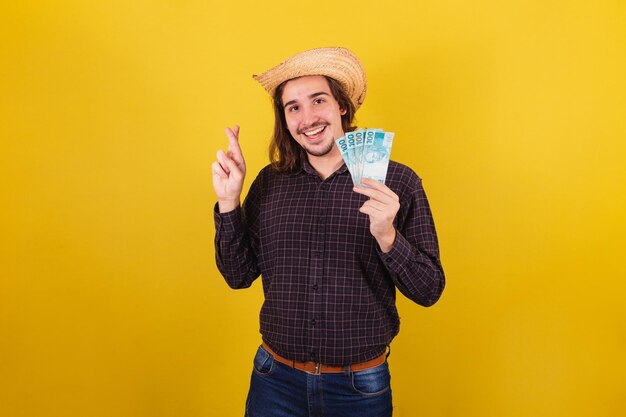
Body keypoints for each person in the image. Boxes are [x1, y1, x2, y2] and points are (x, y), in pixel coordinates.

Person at [212, 47, 445, 417]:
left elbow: (430, 289)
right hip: (274, 381)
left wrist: (388, 237)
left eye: (318, 100)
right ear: (285, 120)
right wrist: (229, 202)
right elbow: (238, 276)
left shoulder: (399, 181)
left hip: (359, 389)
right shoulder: (269, 183)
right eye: (293, 107)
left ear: (341, 106)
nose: (307, 118)